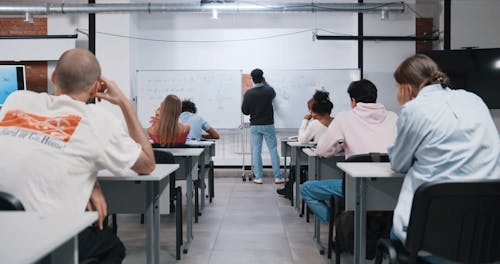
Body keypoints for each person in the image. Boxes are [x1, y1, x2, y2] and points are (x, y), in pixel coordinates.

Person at [0, 48, 156, 263]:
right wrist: (125, 104)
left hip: (4, 232)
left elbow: (38, 149)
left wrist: (90, 179)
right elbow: (147, 164)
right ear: (95, 89)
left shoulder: (16, 100)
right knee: (112, 248)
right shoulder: (99, 122)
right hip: (44, 236)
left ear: (53, 77)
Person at [389, 54, 499, 258]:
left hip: (432, 235)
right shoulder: (473, 99)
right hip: (486, 233)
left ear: (406, 87)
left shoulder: (413, 109)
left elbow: (399, 163)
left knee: (393, 234)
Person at [300, 79, 398, 223]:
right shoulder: (394, 117)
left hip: (357, 187)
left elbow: (322, 150)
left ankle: (337, 224)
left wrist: (341, 145)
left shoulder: (344, 117)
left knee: (307, 189)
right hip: (392, 188)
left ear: (353, 101)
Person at [277, 90, 334, 196]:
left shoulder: (315, 124)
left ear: (315, 111)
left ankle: (289, 189)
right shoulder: (338, 122)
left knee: (295, 164)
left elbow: (302, 140)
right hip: (335, 166)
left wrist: (305, 121)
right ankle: (288, 188)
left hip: (318, 163)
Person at [241, 68, 284, 184]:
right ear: (263, 77)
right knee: (273, 149)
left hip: (255, 125)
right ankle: (278, 177)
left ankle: (259, 177)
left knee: (256, 150)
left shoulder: (248, 94)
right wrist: (265, 82)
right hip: (268, 124)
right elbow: (273, 94)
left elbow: (245, 111)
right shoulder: (269, 90)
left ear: (252, 79)